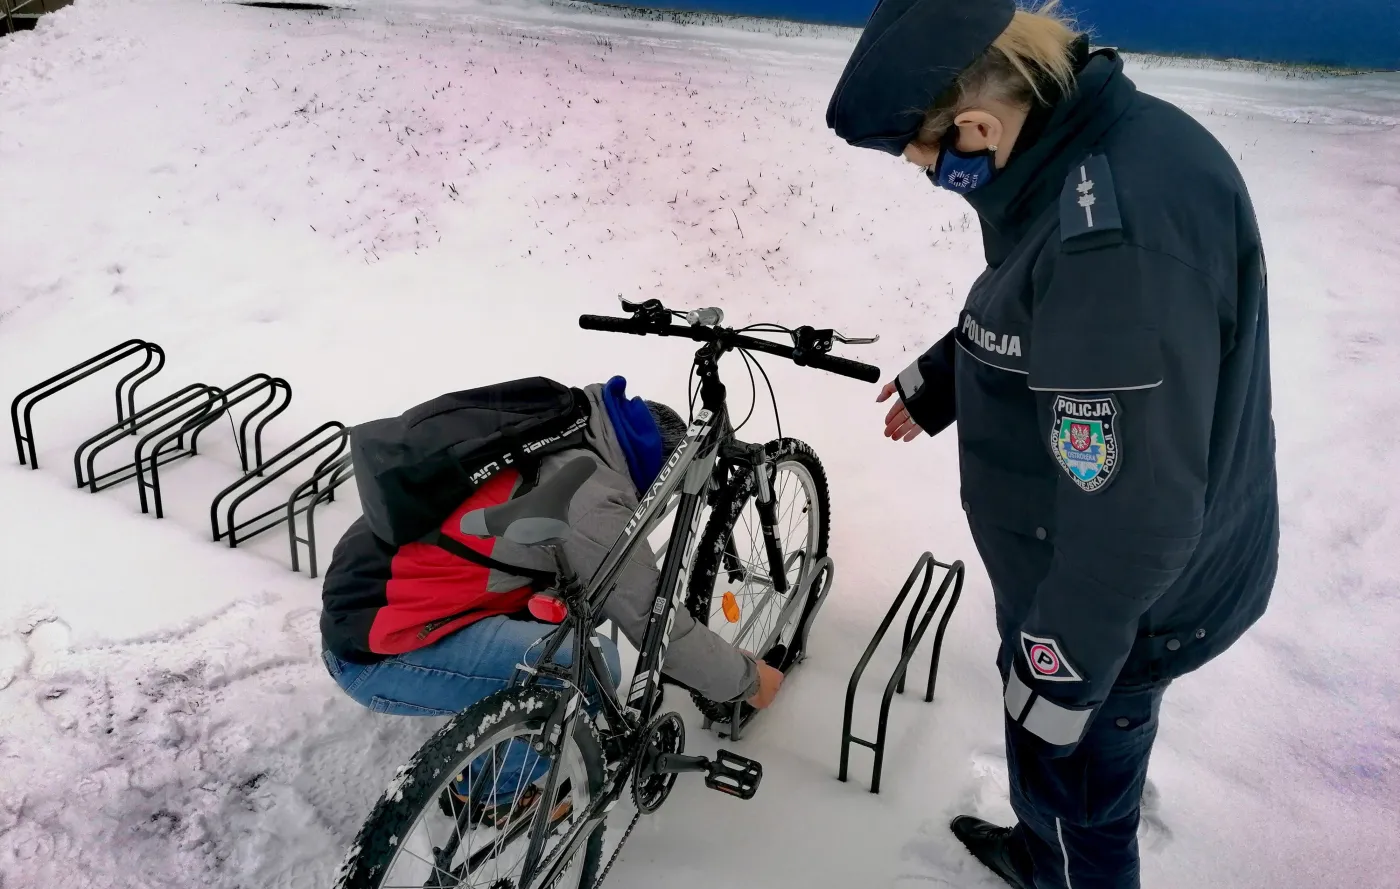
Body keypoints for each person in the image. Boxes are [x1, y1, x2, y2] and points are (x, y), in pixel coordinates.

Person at [827, 2, 1278, 887]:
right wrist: (950, 375)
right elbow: (1039, 306)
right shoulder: (1094, 147)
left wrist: (1059, 670)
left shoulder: (1111, 242)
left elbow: (1135, 520)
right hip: (1099, 577)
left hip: (1113, 611)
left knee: (1079, 795)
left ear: (975, 126)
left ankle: (1057, 862)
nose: (931, 177)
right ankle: (1051, 839)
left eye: (926, 160)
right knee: (1076, 774)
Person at [318, 378, 785, 821]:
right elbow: (654, 623)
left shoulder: (565, 430)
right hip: (378, 655)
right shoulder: (592, 503)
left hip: (370, 603)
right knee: (584, 665)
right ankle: (489, 795)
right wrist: (747, 679)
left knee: (576, 614)